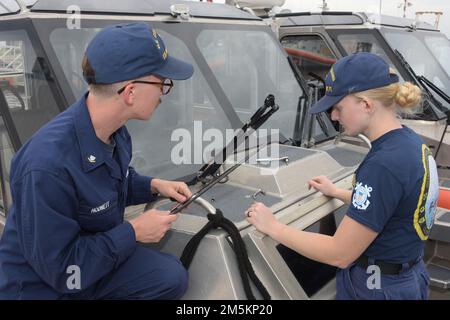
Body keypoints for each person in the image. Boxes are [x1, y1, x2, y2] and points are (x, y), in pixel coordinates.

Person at [0, 22, 195, 299]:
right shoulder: (47, 166)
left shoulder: (114, 132)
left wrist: (153, 185)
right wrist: (134, 232)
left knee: (169, 276)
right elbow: (63, 271)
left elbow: (107, 185)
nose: (164, 92)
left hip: (87, 257)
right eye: (162, 82)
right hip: (45, 285)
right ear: (130, 92)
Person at [245, 52, 439, 300]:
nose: (334, 117)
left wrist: (273, 227)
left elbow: (340, 253)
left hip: (377, 288)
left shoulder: (384, 165)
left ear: (366, 105)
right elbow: (391, 204)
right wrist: (338, 193)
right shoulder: (409, 142)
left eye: (338, 108)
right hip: (407, 277)